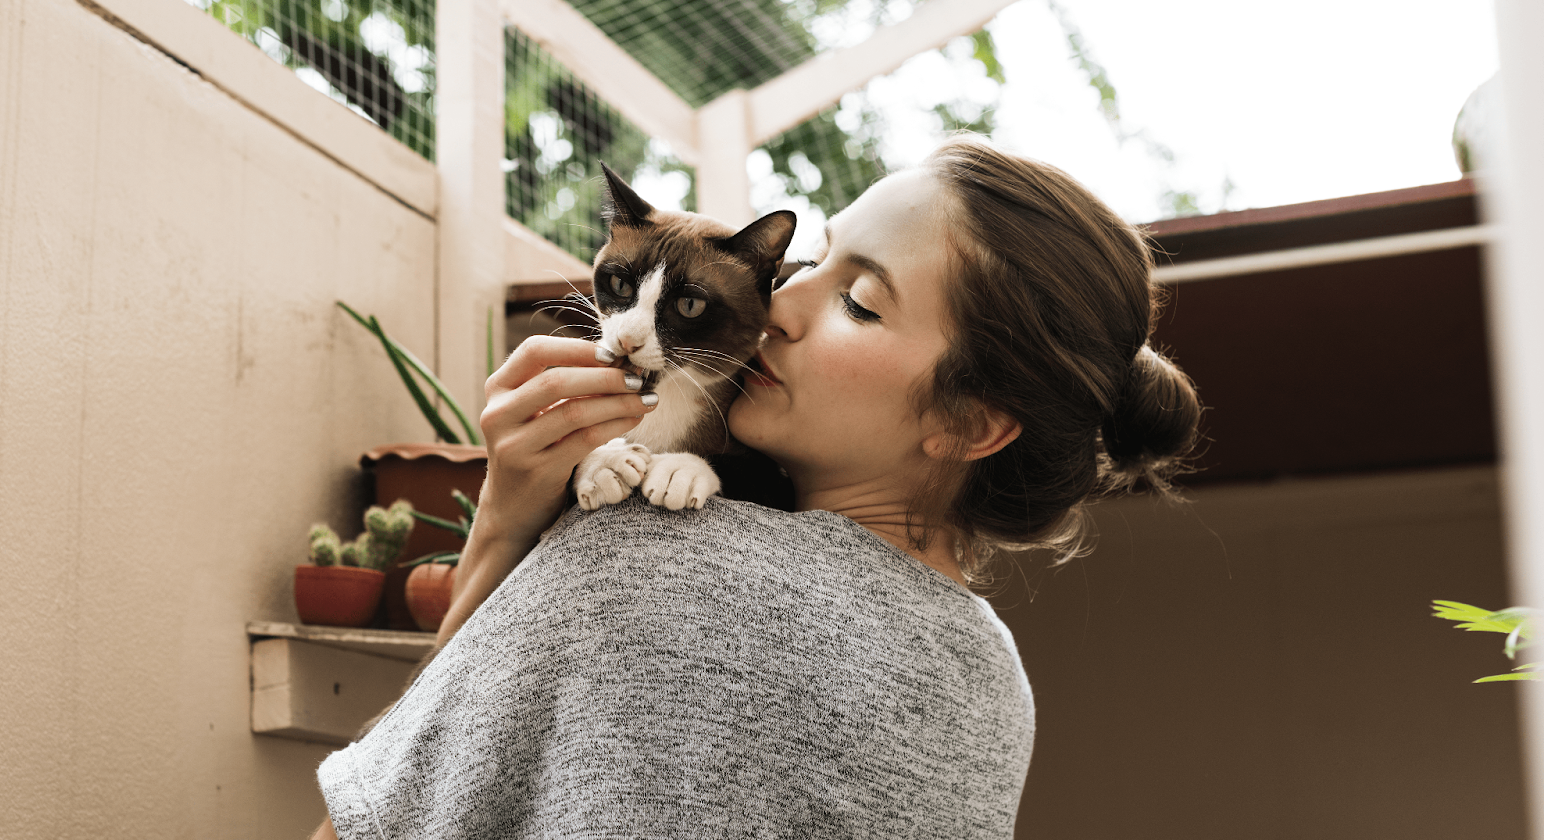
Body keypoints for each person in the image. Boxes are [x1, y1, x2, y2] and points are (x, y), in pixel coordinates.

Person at [308, 135, 1201, 839]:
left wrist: (502, 527)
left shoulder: (654, 557)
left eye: (861, 302)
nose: (778, 306)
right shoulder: (993, 675)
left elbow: (380, 817)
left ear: (969, 423)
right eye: (811, 262)